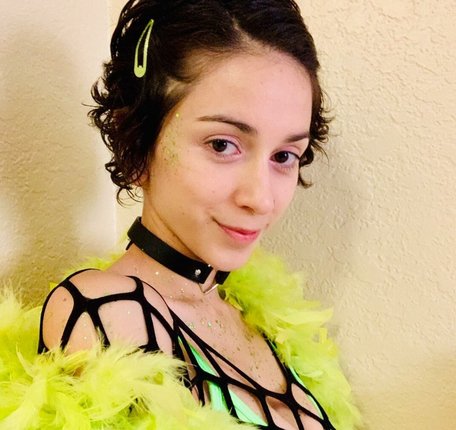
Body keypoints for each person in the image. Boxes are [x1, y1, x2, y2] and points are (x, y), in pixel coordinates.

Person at [1, 1, 360, 429]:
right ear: (140, 145)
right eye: (222, 145)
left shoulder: (259, 319)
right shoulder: (107, 310)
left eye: (284, 156)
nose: (261, 199)